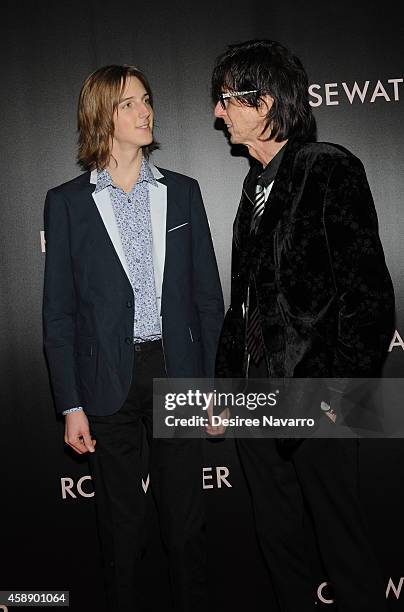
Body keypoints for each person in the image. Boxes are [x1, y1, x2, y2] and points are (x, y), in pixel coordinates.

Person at [211, 40, 395, 611]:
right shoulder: (252, 187)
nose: (218, 114)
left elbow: (367, 295)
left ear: (263, 103)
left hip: (316, 395)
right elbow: (244, 303)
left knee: (343, 544)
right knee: (279, 542)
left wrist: (339, 392)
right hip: (255, 400)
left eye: (226, 100)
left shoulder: (328, 166)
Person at [43, 64, 224, 612]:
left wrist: (215, 385)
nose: (146, 111)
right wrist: (70, 403)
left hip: (180, 375)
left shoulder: (184, 192)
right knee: (121, 532)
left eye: (146, 100)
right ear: (103, 115)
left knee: (186, 529)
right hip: (106, 383)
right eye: (130, 104)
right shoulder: (67, 203)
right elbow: (59, 313)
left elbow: (209, 301)